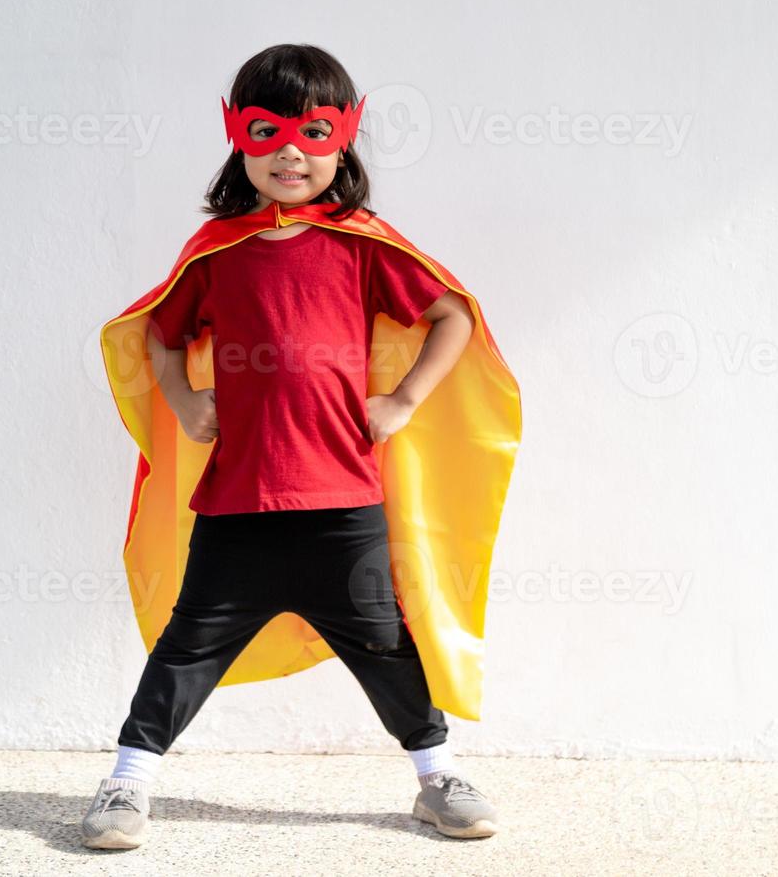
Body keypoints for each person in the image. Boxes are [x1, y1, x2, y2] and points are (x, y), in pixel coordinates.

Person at [82, 44, 522, 850]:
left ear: (342, 139)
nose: (292, 152)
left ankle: (436, 778)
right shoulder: (217, 251)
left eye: (315, 132)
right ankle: (127, 783)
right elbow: (161, 336)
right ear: (239, 138)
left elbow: (452, 316)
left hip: (345, 501)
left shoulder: (363, 245)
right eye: (269, 130)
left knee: (386, 644)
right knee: (187, 648)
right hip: (239, 502)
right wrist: (183, 401)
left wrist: (402, 401)